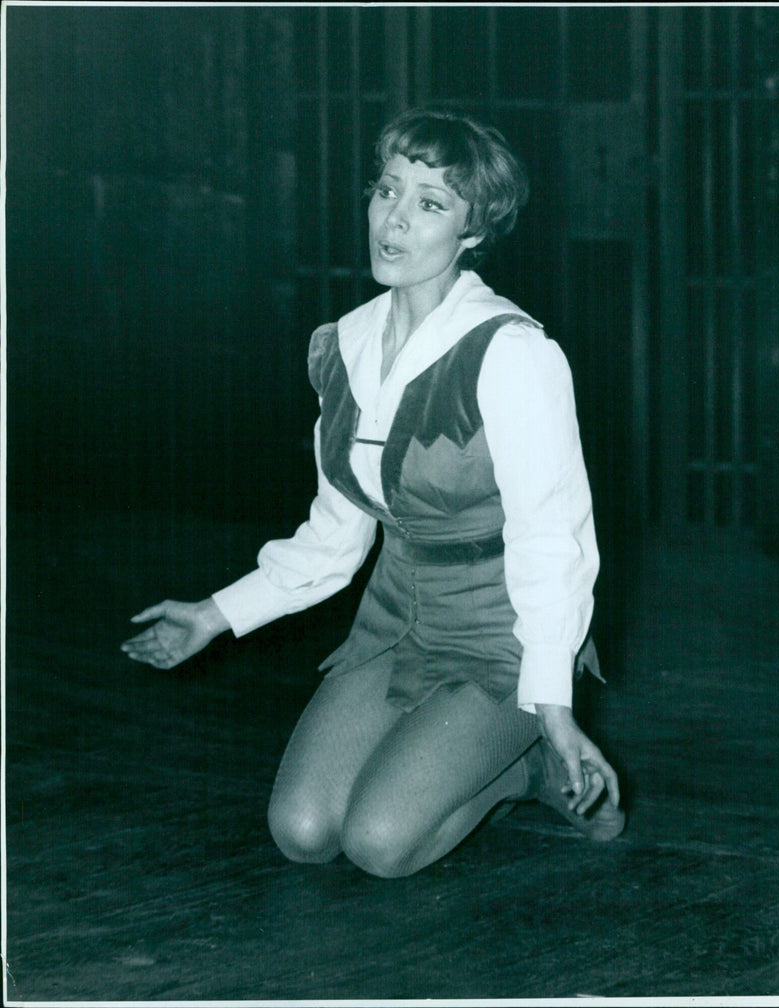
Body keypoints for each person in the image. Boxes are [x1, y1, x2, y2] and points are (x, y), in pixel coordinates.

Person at [122, 107, 625, 878]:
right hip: (395, 622)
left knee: (380, 845)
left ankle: (524, 774)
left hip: (505, 636)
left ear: (474, 231)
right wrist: (213, 616)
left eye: (430, 203)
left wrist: (554, 710)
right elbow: (335, 536)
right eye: (387, 191)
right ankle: (479, 758)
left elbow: (553, 540)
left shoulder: (514, 353)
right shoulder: (346, 344)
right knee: (303, 830)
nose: (394, 220)